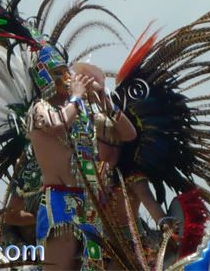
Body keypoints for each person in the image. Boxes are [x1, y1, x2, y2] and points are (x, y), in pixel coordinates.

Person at [29, 60, 137, 270]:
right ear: (45, 78)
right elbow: (56, 124)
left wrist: (105, 99)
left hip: (89, 203)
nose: (68, 77)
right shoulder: (39, 108)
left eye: (66, 71)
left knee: (92, 266)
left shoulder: (81, 112)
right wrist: (77, 97)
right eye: (59, 73)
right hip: (60, 200)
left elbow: (129, 134)